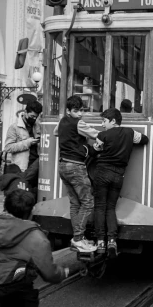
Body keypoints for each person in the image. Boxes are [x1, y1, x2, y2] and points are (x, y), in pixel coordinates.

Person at [92, 107, 149, 258]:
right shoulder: (130, 133)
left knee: (99, 207)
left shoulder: (102, 135)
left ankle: (100, 242)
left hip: (103, 172)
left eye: (104, 121)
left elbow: (96, 149)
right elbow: (144, 139)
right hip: (119, 176)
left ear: (113, 121)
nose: (102, 125)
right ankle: (112, 240)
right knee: (110, 207)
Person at [53, 95, 99, 254]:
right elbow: (96, 135)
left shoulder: (62, 122)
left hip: (62, 165)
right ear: (68, 110)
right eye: (76, 111)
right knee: (88, 202)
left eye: (81, 111)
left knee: (75, 203)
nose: (80, 114)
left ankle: (78, 238)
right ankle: (78, 239)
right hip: (75, 166)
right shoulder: (79, 123)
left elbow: (55, 133)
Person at [5, 102, 43, 195]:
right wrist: (27, 142)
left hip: (37, 166)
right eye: (32, 116)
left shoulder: (38, 126)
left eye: (36, 117)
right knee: (21, 195)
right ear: (25, 112)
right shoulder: (14, 127)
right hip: (22, 168)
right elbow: (8, 147)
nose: (34, 119)